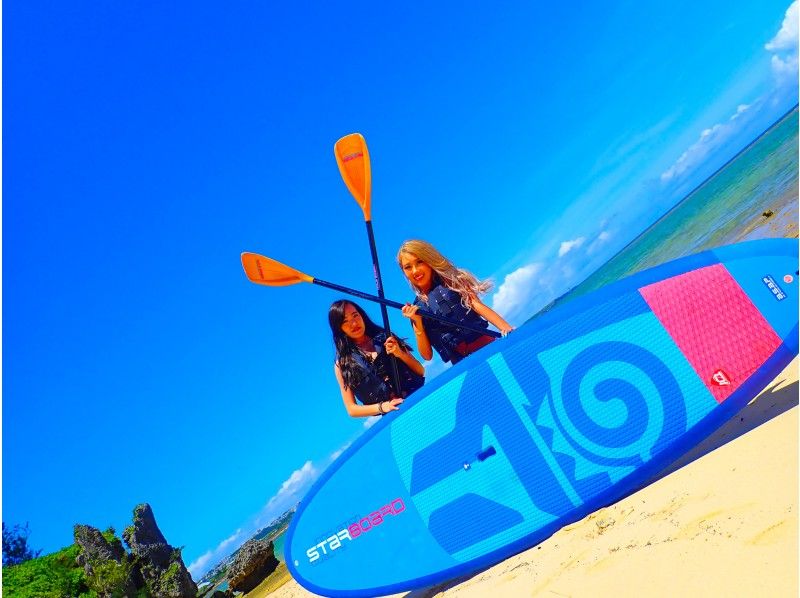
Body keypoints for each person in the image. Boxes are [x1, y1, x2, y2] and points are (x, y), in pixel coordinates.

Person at [397, 239, 513, 364]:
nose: (415, 271)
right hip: (462, 364)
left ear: (428, 260)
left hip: (487, 347)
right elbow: (427, 355)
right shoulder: (416, 309)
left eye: (419, 262)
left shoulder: (452, 281)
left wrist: (507, 329)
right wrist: (417, 323)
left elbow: (476, 305)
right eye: (408, 267)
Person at [329, 300, 425, 418]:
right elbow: (352, 409)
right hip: (394, 417)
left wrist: (400, 353)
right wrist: (384, 406)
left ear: (362, 315)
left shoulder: (386, 337)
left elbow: (420, 370)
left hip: (419, 398)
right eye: (345, 321)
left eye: (355, 315)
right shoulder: (342, 365)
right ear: (339, 328)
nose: (354, 324)